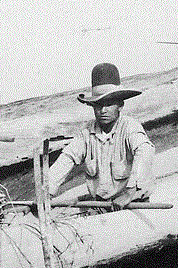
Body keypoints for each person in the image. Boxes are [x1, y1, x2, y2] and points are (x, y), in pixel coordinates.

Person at [48, 63, 155, 211]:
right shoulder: (86, 133)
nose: (103, 110)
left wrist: (130, 192)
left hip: (132, 204)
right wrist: (46, 193)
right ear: (92, 107)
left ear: (120, 105)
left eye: (109, 104)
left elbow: (145, 151)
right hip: (101, 205)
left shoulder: (130, 127)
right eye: (98, 105)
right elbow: (67, 158)